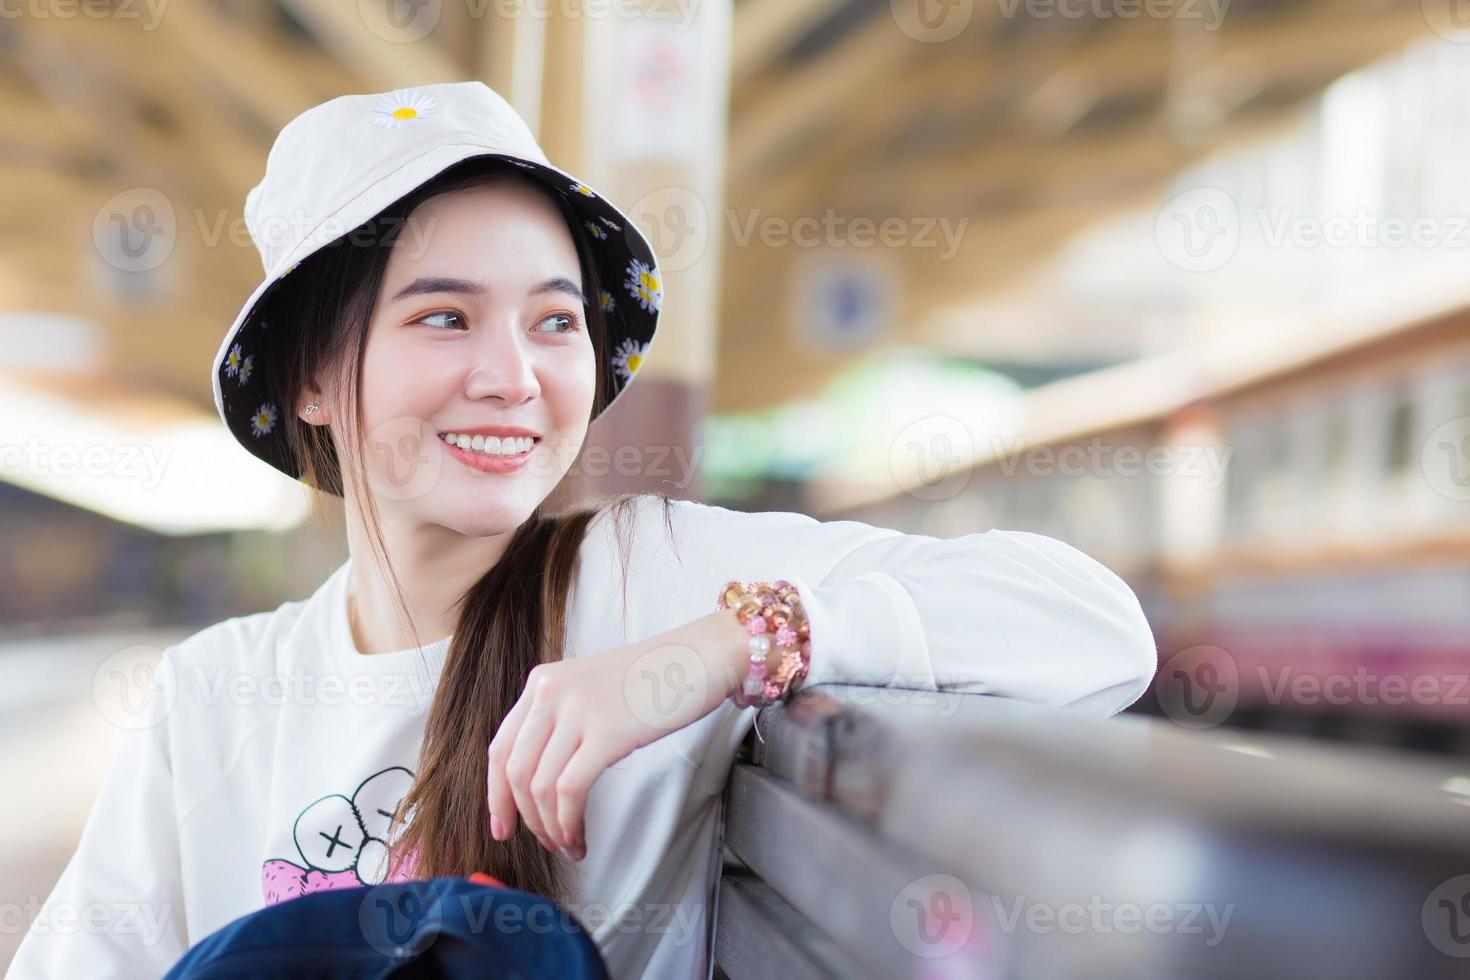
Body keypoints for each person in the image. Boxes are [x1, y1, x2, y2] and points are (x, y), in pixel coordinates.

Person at [6, 81, 1158, 980]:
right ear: (312, 373)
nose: (513, 376)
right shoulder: (211, 699)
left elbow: (1095, 626)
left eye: (555, 320)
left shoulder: (646, 573)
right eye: (445, 315)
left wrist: (720, 647)